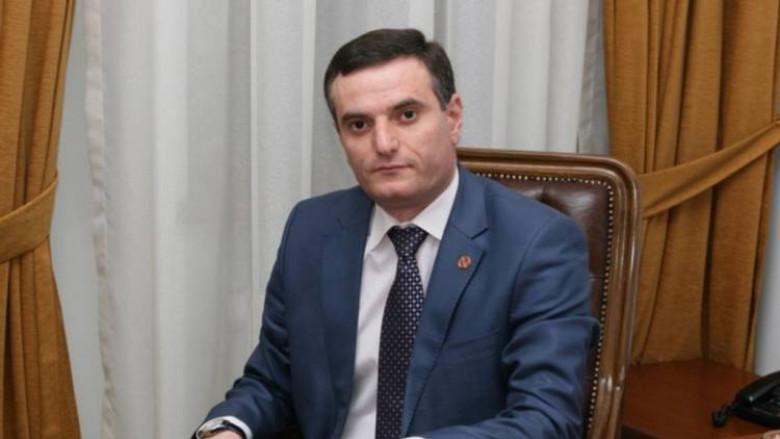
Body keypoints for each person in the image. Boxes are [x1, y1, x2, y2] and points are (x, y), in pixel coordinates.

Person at [195, 28, 596, 439]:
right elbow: (273, 379)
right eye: (359, 124)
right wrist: (229, 428)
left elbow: (547, 419)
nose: (384, 144)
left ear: (453, 117)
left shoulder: (537, 243)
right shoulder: (311, 229)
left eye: (406, 115)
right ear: (340, 136)